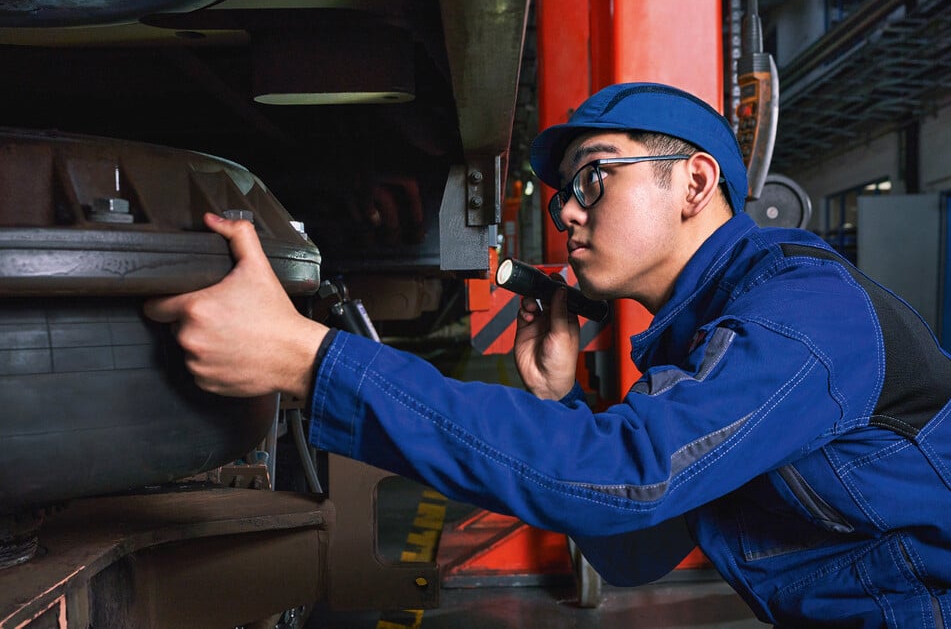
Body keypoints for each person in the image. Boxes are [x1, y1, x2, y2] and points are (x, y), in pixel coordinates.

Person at [144, 82, 951, 627]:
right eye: (564, 191)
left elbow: (629, 486)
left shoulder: (801, 313)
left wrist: (315, 361)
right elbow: (635, 550)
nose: (566, 210)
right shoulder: (700, 344)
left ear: (695, 184)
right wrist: (558, 400)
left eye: (594, 178)